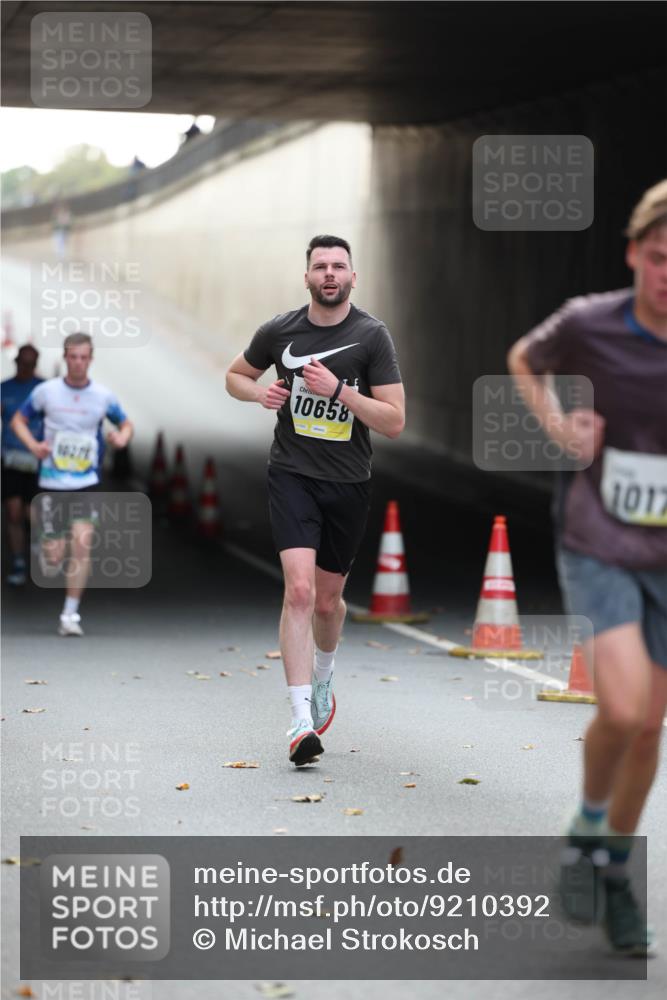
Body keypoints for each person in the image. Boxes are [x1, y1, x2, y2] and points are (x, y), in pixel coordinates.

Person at [507, 179, 667, 954]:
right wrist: (558, 426)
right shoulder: (588, 323)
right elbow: (523, 358)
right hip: (598, 537)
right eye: (660, 258)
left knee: (649, 733)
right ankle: (588, 830)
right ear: (635, 253)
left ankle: (605, 866)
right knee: (627, 709)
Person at [226, 235, 405, 765]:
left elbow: (394, 421)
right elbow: (236, 375)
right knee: (299, 593)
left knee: (328, 602)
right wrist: (259, 392)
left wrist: (341, 393)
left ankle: (324, 679)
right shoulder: (279, 331)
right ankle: (300, 720)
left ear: (354, 277)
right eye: (320, 266)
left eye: (339, 266)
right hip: (292, 474)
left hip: (348, 481)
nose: (329, 274)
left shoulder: (372, 337)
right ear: (306, 277)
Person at [10, 332, 133, 636]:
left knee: (82, 543)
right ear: (65, 358)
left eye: (83, 357)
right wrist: (34, 445)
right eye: (73, 357)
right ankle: (48, 545)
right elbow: (18, 421)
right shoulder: (46, 392)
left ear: (90, 360)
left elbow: (126, 423)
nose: (78, 363)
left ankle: (70, 614)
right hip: (52, 481)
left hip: (85, 481)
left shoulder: (102, 396)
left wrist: (121, 438)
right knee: (54, 555)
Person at [1, 344, 43, 585]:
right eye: (22, 363)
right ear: (16, 362)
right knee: (13, 511)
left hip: (38, 460)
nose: (25, 368)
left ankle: (35, 544)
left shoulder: (44, 390)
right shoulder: (4, 389)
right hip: (12, 458)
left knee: (32, 513)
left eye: (30, 364)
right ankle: (18, 560)